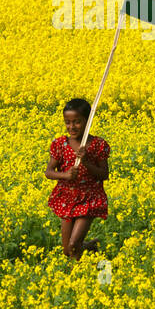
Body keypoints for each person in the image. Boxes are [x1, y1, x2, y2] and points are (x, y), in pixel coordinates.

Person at [45, 98, 109, 262]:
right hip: (67, 198)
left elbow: (104, 174)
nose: (72, 127)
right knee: (67, 250)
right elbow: (49, 172)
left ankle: (79, 276)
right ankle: (90, 247)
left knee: (74, 244)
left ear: (87, 121)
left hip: (89, 198)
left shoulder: (98, 145)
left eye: (77, 122)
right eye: (68, 122)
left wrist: (86, 162)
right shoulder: (60, 144)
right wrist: (65, 175)